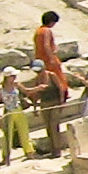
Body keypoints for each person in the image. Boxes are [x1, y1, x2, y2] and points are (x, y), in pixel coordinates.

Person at [32, 12, 70, 156]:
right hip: (48, 61)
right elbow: (47, 45)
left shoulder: (37, 32)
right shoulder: (46, 31)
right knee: (58, 81)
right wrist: (51, 58)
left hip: (41, 60)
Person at [0, 69, 37, 165]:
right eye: (12, 76)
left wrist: (37, 88)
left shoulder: (16, 84)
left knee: (24, 131)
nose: (14, 78)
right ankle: (6, 156)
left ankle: (29, 152)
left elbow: (26, 91)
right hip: (8, 112)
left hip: (18, 109)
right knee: (7, 135)